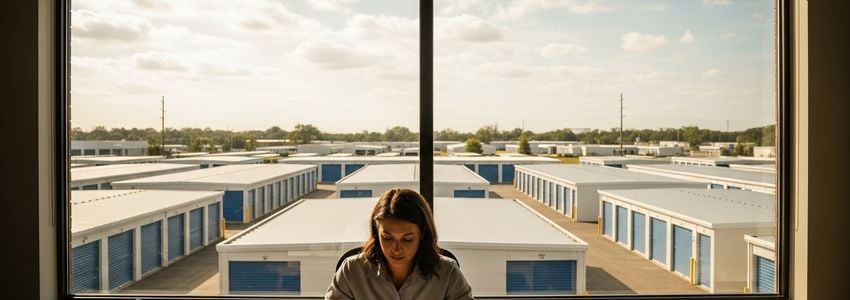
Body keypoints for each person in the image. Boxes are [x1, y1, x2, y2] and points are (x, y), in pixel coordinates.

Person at [325, 188, 474, 300]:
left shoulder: (448, 273)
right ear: (377, 233)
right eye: (387, 238)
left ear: (422, 234)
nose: (396, 249)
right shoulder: (352, 271)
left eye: (407, 239)